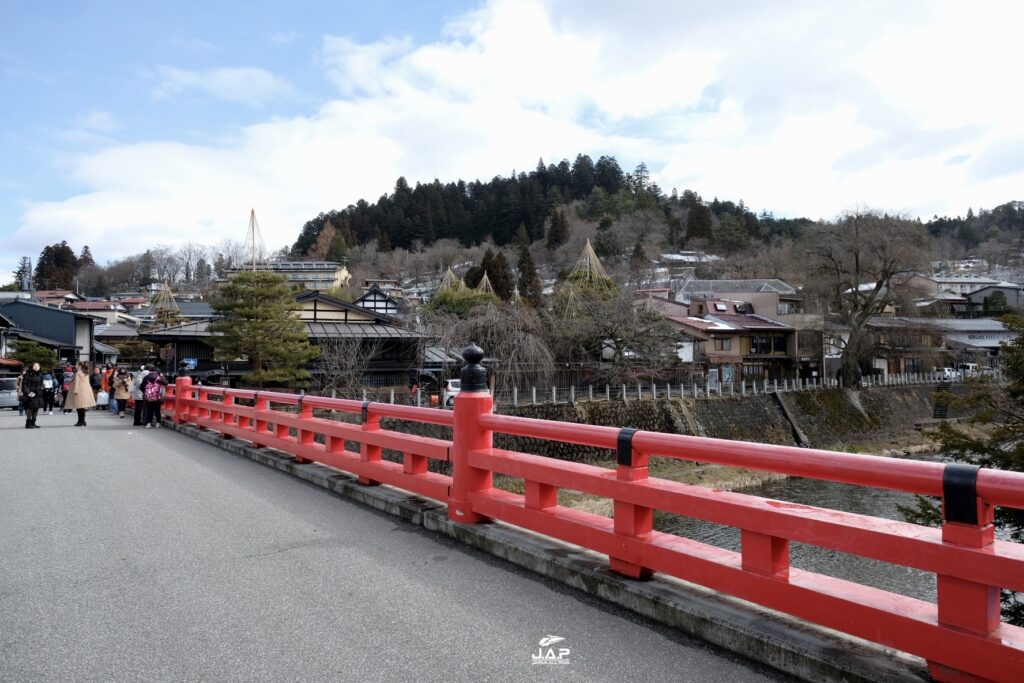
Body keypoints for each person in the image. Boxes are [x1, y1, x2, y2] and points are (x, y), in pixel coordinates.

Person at [65, 361, 97, 426]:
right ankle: (83, 421)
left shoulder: (78, 373)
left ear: (80, 366)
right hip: (85, 391)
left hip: (79, 391)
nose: (75, 366)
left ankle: (80, 421)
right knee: (82, 407)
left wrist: (75, 390)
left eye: (77, 365)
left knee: (79, 407)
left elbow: (77, 383)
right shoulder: (86, 372)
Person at [20, 363, 44, 429]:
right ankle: (28, 424)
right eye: (35, 366)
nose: (36, 367)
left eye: (38, 366)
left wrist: (42, 387)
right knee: (30, 408)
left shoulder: (41, 374)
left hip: (38, 393)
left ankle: (33, 423)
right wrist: (28, 392)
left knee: (36, 408)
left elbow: (41, 382)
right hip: (31, 393)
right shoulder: (28, 374)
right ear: (32, 367)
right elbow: (24, 385)